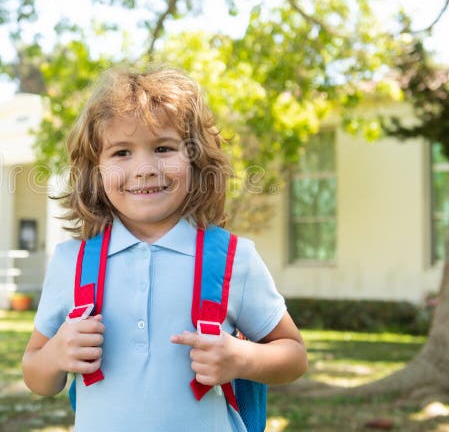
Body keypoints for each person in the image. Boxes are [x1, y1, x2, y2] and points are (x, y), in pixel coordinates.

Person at [22, 66, 308, 431]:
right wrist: (56, 355)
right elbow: (36, 375)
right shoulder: (72, 262)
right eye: (121, 152)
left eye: (163, 148)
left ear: (197, 159)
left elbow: (294, 356)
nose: (144, 168)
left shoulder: (233, 259)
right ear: (95, 170)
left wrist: (241, 358)